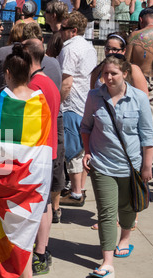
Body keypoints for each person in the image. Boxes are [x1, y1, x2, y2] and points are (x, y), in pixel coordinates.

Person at [0, 43, 52, 278]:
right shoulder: (41, 101)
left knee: (7, 227)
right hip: (35, 177)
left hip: (8, 179)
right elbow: (43, 143)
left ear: (8, 74)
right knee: (27, 226)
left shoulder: (3, 100)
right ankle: (28, 273)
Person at [81, 55, 153, 278]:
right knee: (106, 212)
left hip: (131, 164)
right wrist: (87, 151)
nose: (109, 77)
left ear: (125, 74)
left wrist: (147, 166)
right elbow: (86, 127)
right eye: (105, 73)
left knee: (127, 207)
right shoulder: (94, 96)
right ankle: (107, 261)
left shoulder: (139, 98)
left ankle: (125, 237)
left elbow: (147, 134)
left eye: (113, 73)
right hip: (102, 164)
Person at [23, 38, 61, 275]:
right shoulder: (48, 81)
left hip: (40, 152)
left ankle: (40, 253)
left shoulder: (35, 86)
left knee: (40, 205)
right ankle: (41, 251)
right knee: (44, 203)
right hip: (49, 150)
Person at [57, 10, 97, 207]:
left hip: (72, 104)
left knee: (72, 150)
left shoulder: (70, 49)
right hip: (85, 103)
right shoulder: (88, 46)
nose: (59, 31)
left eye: (63, 28)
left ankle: (74, 193)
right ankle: (79, 189)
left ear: (73, 30)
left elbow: (67, 82)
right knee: (81, 150)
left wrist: (58, 102)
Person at [126, 8, 153, 186]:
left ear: (141, 19)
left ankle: (139, 166)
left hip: (141, 83)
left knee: (139, 127)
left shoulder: (135, 36)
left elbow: (127, 63)